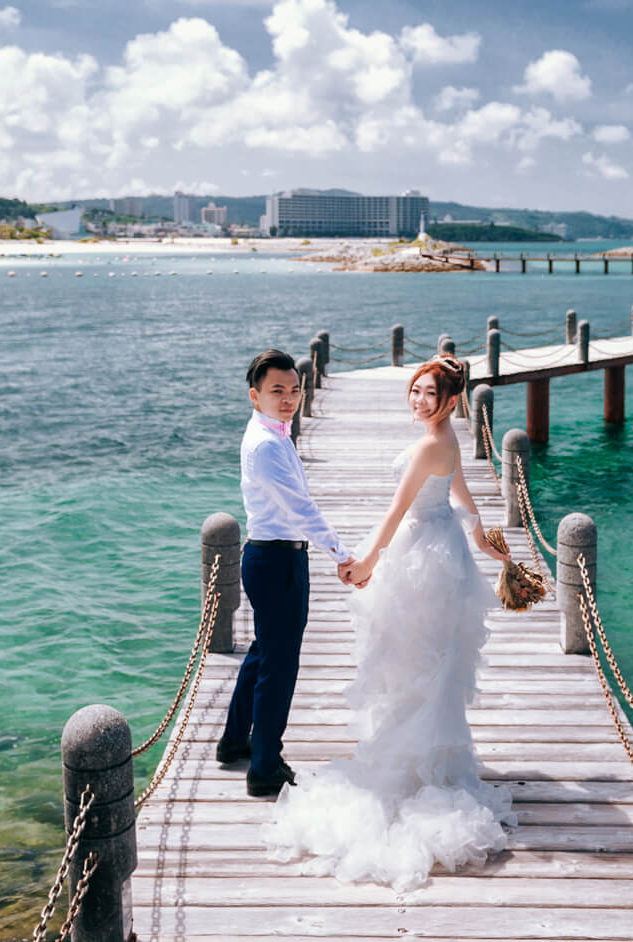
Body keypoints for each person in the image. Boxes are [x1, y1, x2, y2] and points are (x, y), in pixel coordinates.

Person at [262, 355, 516, 891]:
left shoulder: (430, 443)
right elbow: (462, 495)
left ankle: (413, 765)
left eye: (430, 394)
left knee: (414, 659)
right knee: (431, 661)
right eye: (415, 391)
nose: (419, 400)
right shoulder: (445, 438)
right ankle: (431, 758)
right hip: (444, 552)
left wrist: (368, 561)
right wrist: (484, 542)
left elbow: (398, 511)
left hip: (421, 555)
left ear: (451, 401)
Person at [220, 349, 358, 797]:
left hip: (270, 556)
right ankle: (264, 767)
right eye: (277, 390)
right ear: (254, 395)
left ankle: (236, 740)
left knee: (264, 653)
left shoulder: (273, 433)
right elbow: (301, 509)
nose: (289, 398)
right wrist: (341, 552)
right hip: (278, 561)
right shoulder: (266, 445)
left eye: (295, 389)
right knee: (279, 667)